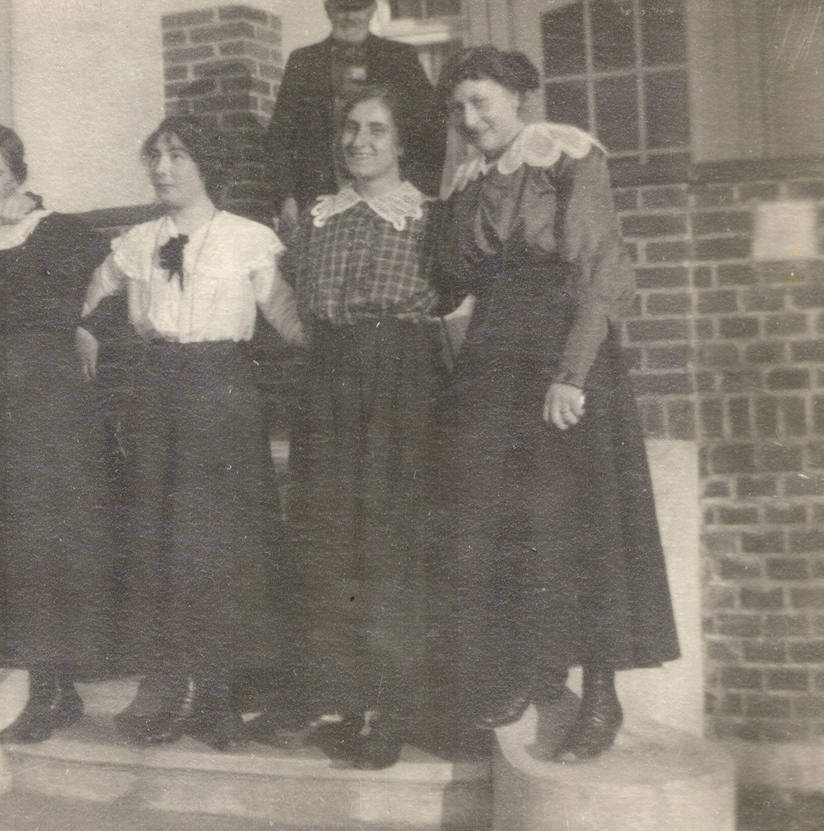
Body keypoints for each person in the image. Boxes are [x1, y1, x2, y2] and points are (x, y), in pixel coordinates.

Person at [435, 46, 680, 761]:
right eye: (457, 108)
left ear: (518, 98)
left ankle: (601, 694)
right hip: (492, 360)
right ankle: (527, 669)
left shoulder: (567, 157)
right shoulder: (467, 180)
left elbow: (601, 266)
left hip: (562, 350)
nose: (469, 118)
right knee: (505, 518)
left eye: (481, 102)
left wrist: (572, 374)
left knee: (584, 520)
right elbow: (456, 284)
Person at [77, 116, 306, 751]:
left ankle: (218, 697)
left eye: (177, 155)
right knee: (160, 538)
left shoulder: (248, 238)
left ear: (208, 164)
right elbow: (91, 300)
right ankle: (168, 686)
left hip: (222, 392)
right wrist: (84, 328)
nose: (161, 168)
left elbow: (287, 315)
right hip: (156, 393)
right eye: (154, 155)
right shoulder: (136, 241)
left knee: (222, 541)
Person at [277, 84, 451, 770]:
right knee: (327, 534)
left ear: (402, 141)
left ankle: (394, 704)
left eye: (377, 129)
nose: (360, 141)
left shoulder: (430, 217)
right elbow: (297, 305)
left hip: (401, 380)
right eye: (350, 128)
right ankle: (339, 696)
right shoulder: (318, 218)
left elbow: (454, 311)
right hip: (328, 379)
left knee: (389, 538)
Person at [0, 122, 115, 743]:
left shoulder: (53, 230)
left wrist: (91, 328)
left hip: (51, 402)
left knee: (45, 538)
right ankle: (40, 686)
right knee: (4, 540)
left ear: (17, 179)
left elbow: (113, 275)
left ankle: (54, 688)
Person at [265, 0, 446, 232]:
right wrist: (285, 197)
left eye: (358, 8)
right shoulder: (304, 61)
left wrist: (415, 190)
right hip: (320, 199)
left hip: (387, 198)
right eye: (342, 9)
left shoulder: (400, 57)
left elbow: (432, 130)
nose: (350, 17)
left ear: (372, 10)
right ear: (328, 10)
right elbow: (279, 137)